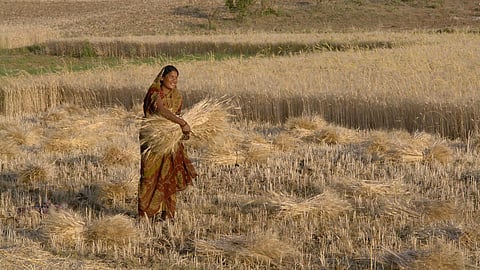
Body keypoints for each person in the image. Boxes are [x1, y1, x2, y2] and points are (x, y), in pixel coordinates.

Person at [138, 65, 197, 222]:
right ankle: (145, 214)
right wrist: (182, 122)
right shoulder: (154, 93)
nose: (174, 80)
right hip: (153, 140)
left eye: (176, 78)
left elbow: (175, 116)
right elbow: (161, 110)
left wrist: (182, 132)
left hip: (170, 141)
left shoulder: (176, 96)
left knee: (168, 176)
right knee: (149, 176)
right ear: (162, 78)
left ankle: (167, 215)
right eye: (171, 77)